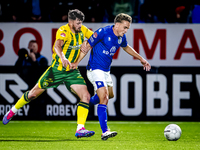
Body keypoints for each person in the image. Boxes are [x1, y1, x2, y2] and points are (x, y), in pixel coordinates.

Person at [3, 9, 95, 138]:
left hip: (72, 72)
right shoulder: (63, 31)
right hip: (56, 70)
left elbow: (95, 37)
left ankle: (80, 128)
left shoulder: (83, 30)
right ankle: (12, 111)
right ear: (70, 22)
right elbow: (57, 46)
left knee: (85, 96)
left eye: (81, 22)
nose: (80, 25)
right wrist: (63, 58)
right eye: (78, 23)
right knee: (32, 95)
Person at [71, 13, 151, 140]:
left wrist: (141, 58)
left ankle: (86, 103)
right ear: (117, 25)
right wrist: (76, 63)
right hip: (95, 69)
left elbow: (126, 47)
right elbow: (87, 46)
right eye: (125, 27)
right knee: (105, 97)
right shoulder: (103, 32)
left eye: (127, 28)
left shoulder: (121, 37)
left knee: (110, 95)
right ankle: (105, 131)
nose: (126, 30)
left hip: (106, 71)